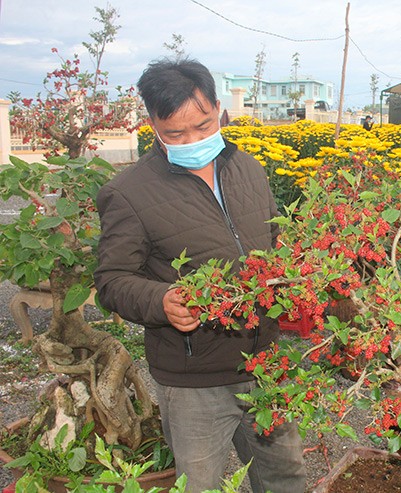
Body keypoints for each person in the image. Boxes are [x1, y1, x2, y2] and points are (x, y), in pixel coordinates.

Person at [94, 59, 306, 493]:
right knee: (199, 485)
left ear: (217, 109)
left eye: (204, 126)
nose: (193, 140)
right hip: (194, 379)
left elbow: (274, 242)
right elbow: (112, 280)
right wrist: (161, 301)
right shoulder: (129, 193)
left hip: (266, 362)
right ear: (152, 123)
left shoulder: (247, 168)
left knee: (285, 475)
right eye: (176, 133)